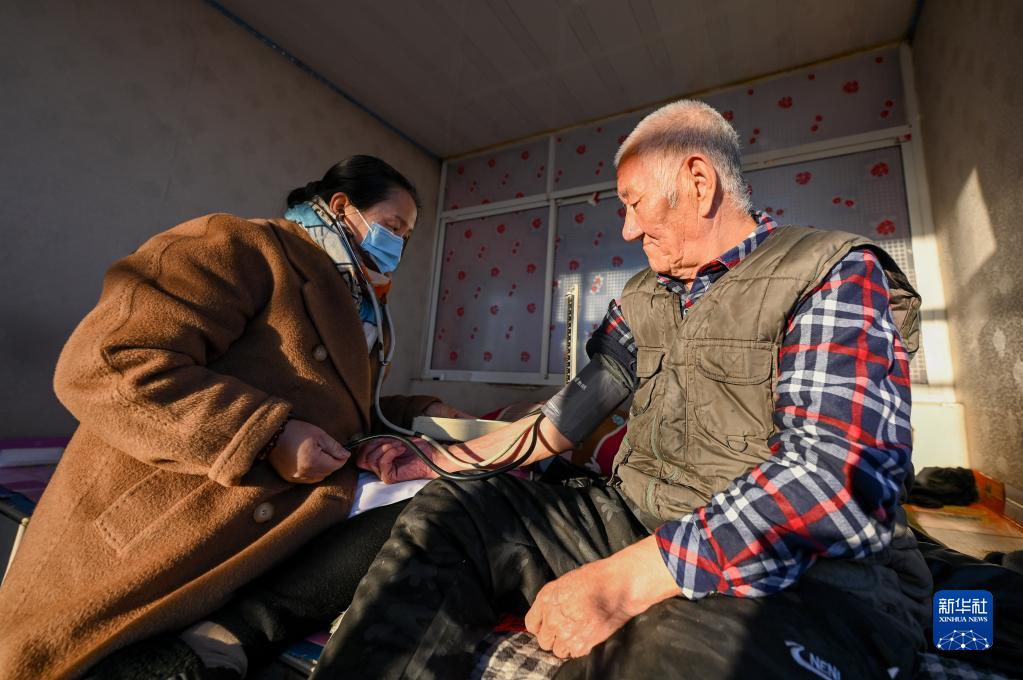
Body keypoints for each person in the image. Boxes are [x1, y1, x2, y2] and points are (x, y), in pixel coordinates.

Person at [314, 101, 934, 679]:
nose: (629, 229)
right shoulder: (642, 297)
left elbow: (832, 479)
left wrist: (624, 584)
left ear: (698, 181)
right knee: (456, 512)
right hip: (640, 519)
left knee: (675, 648)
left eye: (633, 203)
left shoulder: (827, 272)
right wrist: (440, 461)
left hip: (802, 569)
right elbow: (562, 420)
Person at [0, 156, 469, 679]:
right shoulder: (243, 247)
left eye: (406, 236)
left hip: (261, 532)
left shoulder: (357, 310)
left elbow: (343, 409)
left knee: (449, 500)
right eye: (393, 227)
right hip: (164, 522)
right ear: (342, 207)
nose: (398, 245)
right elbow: (109, 362)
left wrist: (422, 411)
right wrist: (267, 435)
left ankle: (227, 639)